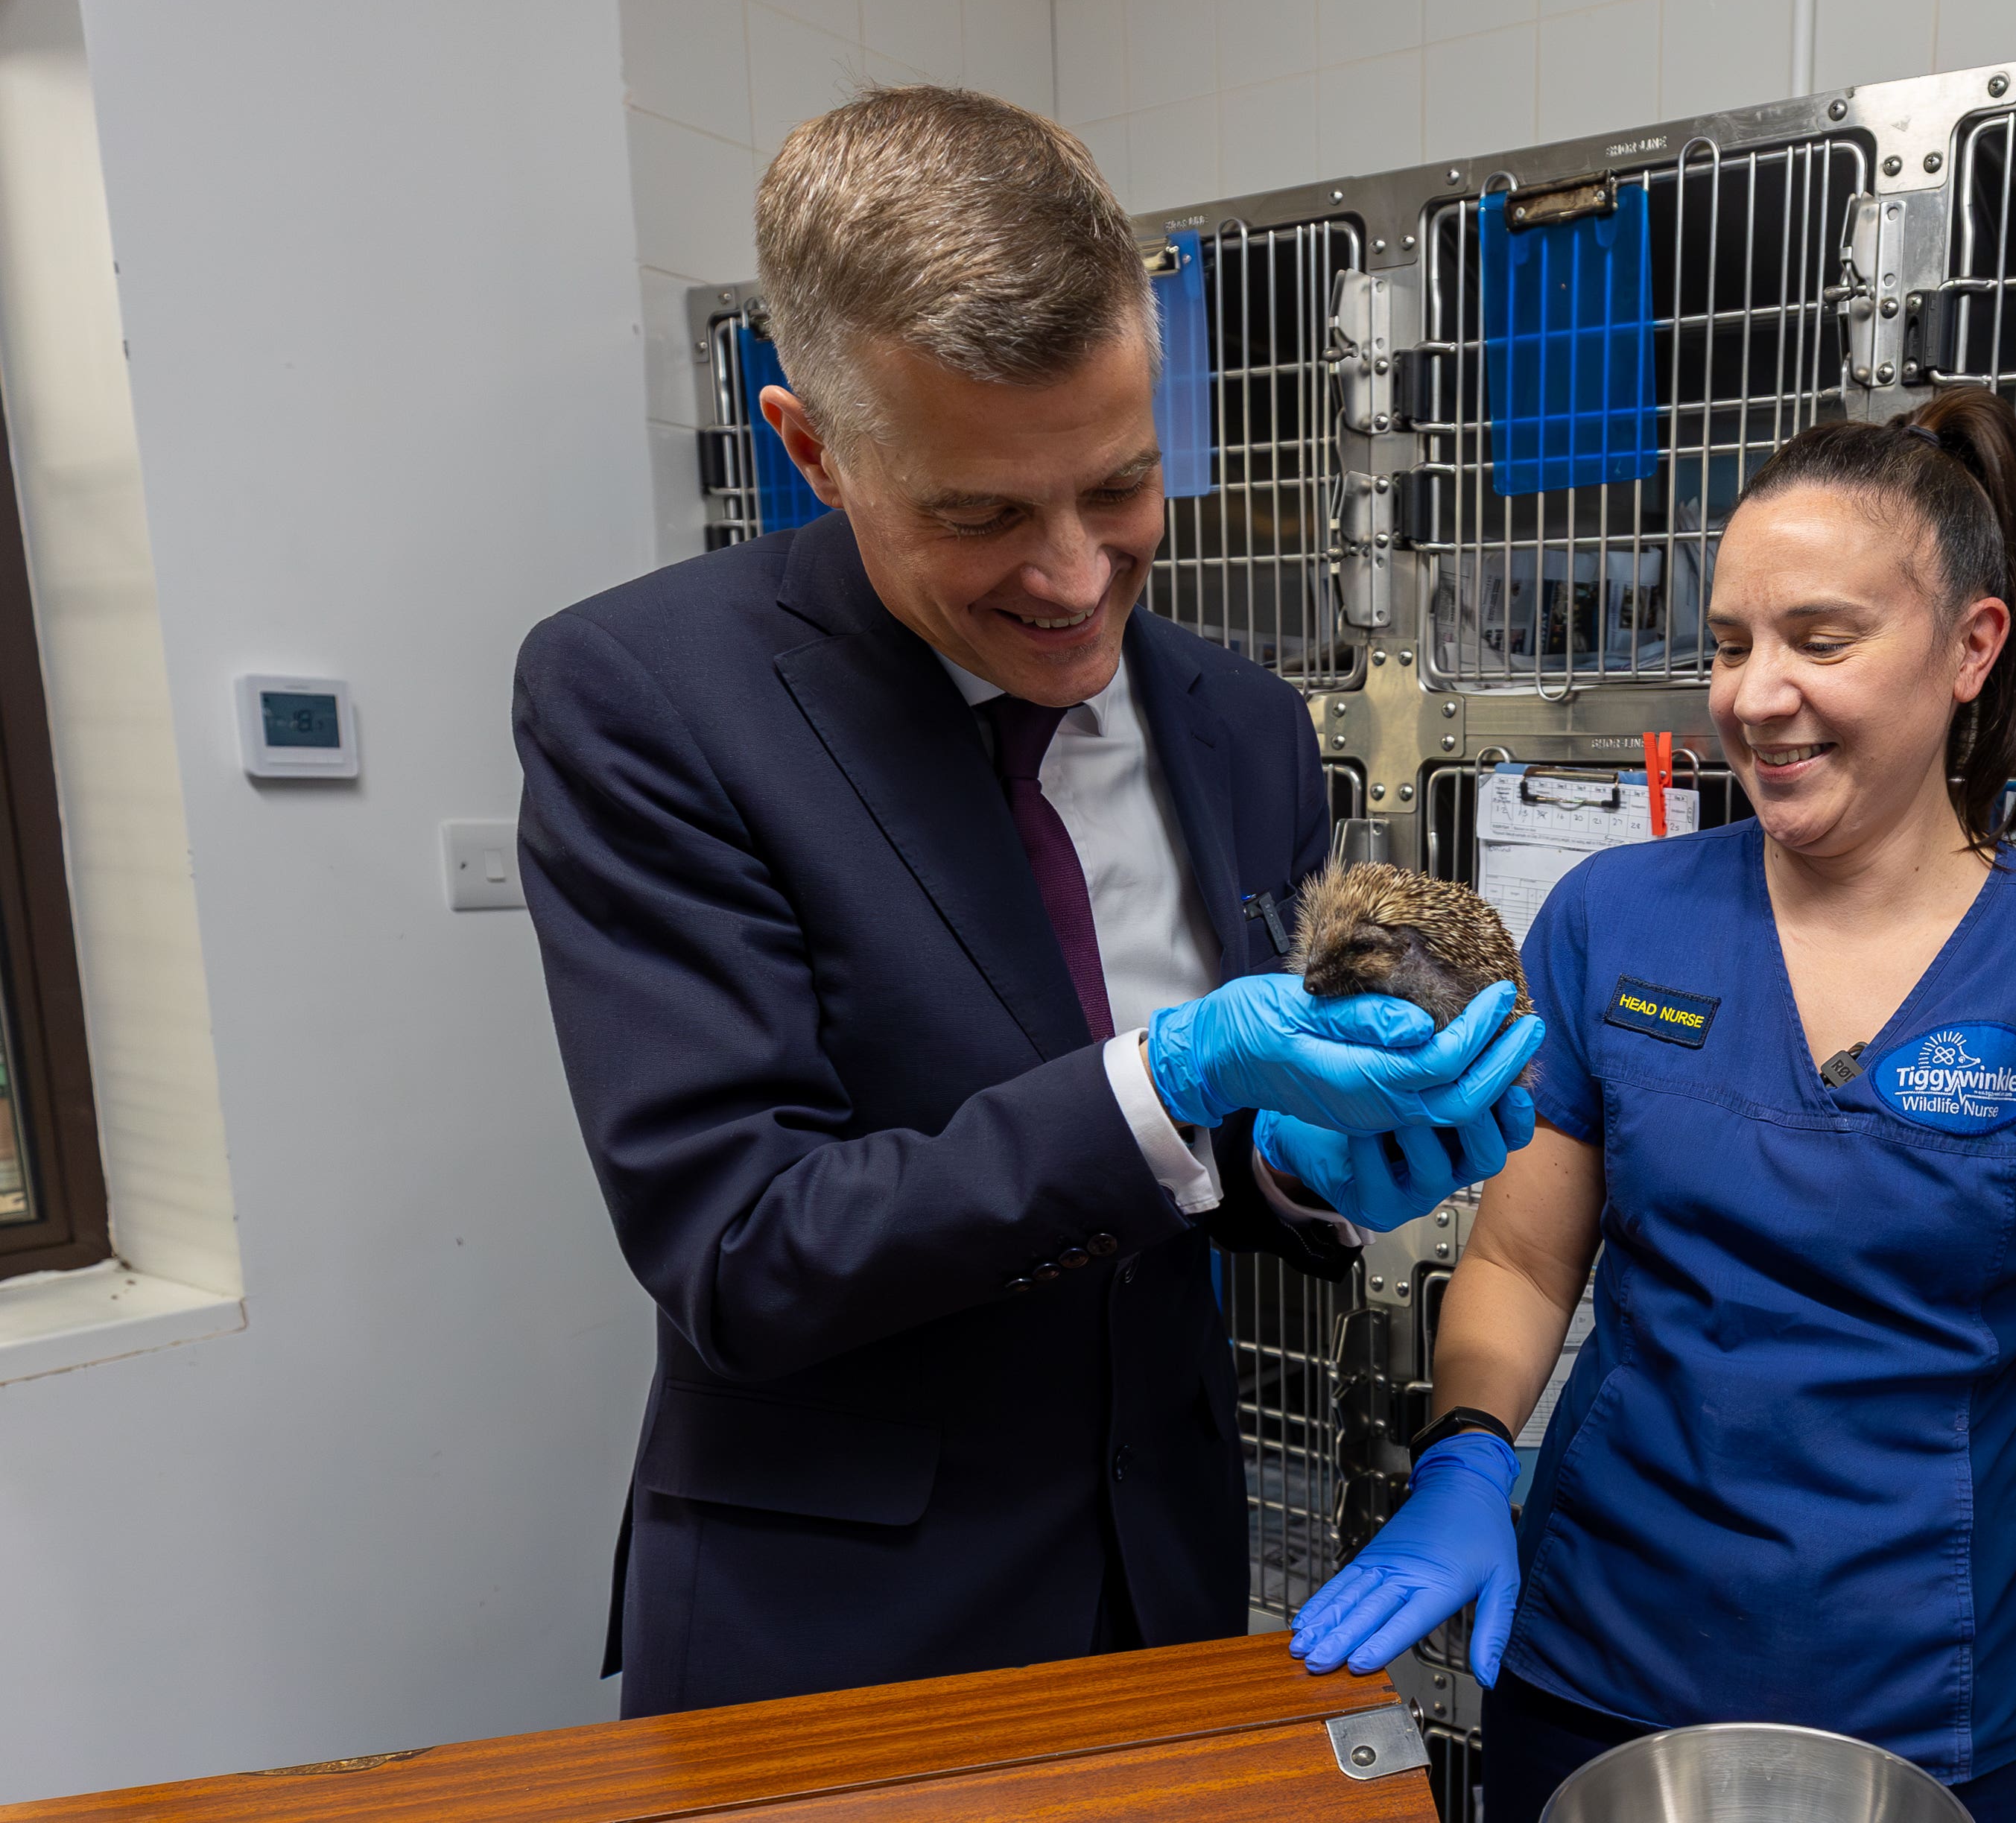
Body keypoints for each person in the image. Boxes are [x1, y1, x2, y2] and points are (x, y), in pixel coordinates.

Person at [514, 86, 1541, 1717]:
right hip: (842, 1628)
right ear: (813, 450)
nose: (1073, 581)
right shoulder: (650, 698)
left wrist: (1309, 1169)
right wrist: (1175, 1075)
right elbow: (744, 1252)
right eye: (980, 513)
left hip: (1168, 1581)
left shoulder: (1241, 722)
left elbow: (1195, 1188)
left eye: (1121, 488)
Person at [1290, 390, 2016, 1823]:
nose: (1752, 694)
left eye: (1822, 639)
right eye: (1732, 643)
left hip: (1926, 1696)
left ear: (1971, 649)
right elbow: (1521, 1256)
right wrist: (1470, 1454)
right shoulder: (1616, 914)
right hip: (1593, 1652)